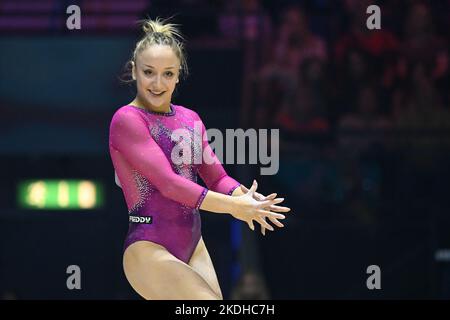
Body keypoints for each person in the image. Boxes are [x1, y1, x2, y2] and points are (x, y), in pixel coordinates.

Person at [108, 17, 291, 300]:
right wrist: (234, 207)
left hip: (194, 245)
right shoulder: (127, 120)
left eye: (168, 74)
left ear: (178, 74)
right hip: (148, 247)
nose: (158, 83)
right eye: (149, 73)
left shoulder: (189, 118)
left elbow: (217, 177)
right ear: (134, 72)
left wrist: (247, 199)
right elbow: (169, 184)